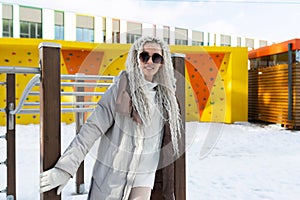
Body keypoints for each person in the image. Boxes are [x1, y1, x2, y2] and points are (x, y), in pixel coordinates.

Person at [39, 36, 183, 200]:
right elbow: (91, 129)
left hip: (145, 176)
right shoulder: (120, 91)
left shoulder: (166, 98)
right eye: (144, 56)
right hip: (115, 176)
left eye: (156, 57)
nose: (150, 61)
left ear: (162, 62)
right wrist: (65, 168)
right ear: (136, 58)